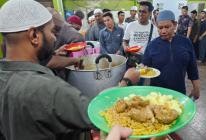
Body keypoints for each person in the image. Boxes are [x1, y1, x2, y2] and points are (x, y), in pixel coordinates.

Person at [0, 0, 140, 140]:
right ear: (34, 36)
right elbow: (101, 115)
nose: (54, 38)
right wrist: (126, 81)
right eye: (52, 31)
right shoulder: (47, 89)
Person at [143, 10, 200, 99]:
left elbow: (192, 67)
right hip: (157, 94)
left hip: (178, 92)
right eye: (160, 28)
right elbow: (145, 67)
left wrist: (196, 87)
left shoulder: (185, 42)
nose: (163, 31)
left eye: (167, 27)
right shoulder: (152, 45)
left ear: (175, 24)